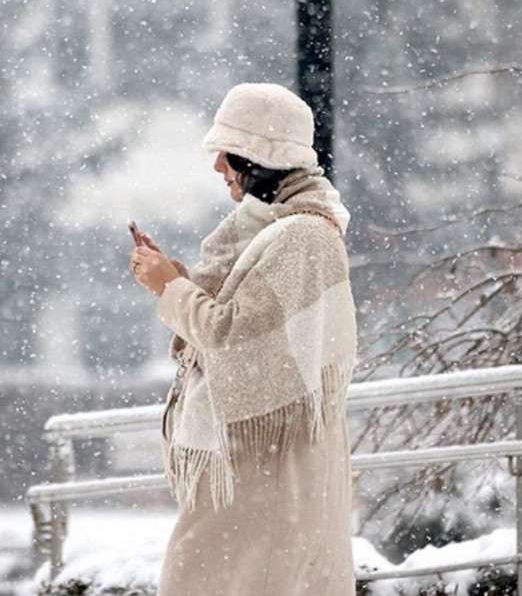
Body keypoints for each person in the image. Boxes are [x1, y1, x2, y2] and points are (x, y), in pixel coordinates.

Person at [129, 83, 357, 596]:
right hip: (256, 468)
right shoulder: (274, 229)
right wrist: (178, 281)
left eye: (227, 153)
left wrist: (170, 287)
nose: (218, 167)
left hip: (267, 473)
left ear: (259, 157)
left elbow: (232, 336)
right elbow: (244, 323)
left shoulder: (301, 236)